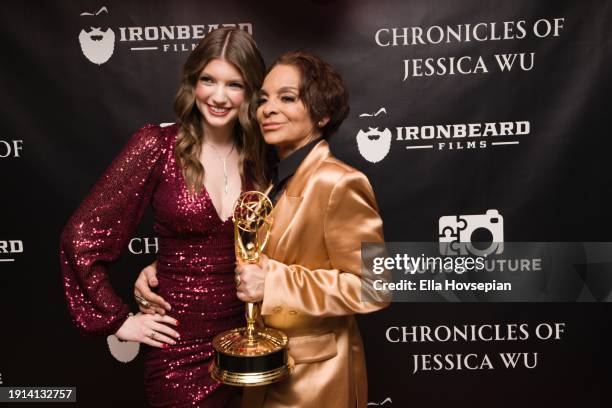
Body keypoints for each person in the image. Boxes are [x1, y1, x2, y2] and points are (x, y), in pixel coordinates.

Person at [136, 51, 389, 408]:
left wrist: (274, 283)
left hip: (317, 379)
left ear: (322, 113)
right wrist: (164, 267)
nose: (267, 109)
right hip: (266, 372)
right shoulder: (273, 181)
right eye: (264, 98)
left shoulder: (340, 181)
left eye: (286, 98)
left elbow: (376, 287)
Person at [60, 27, 269, 407]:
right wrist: (119, 321)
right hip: (179, 350)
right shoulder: (157, 145)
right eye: (208, 80)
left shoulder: (261, 156)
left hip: (248, 345)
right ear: (193, 82)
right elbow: (81, 236)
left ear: (251, 92)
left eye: (234, 84)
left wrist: (159, 262)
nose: (219, 97)